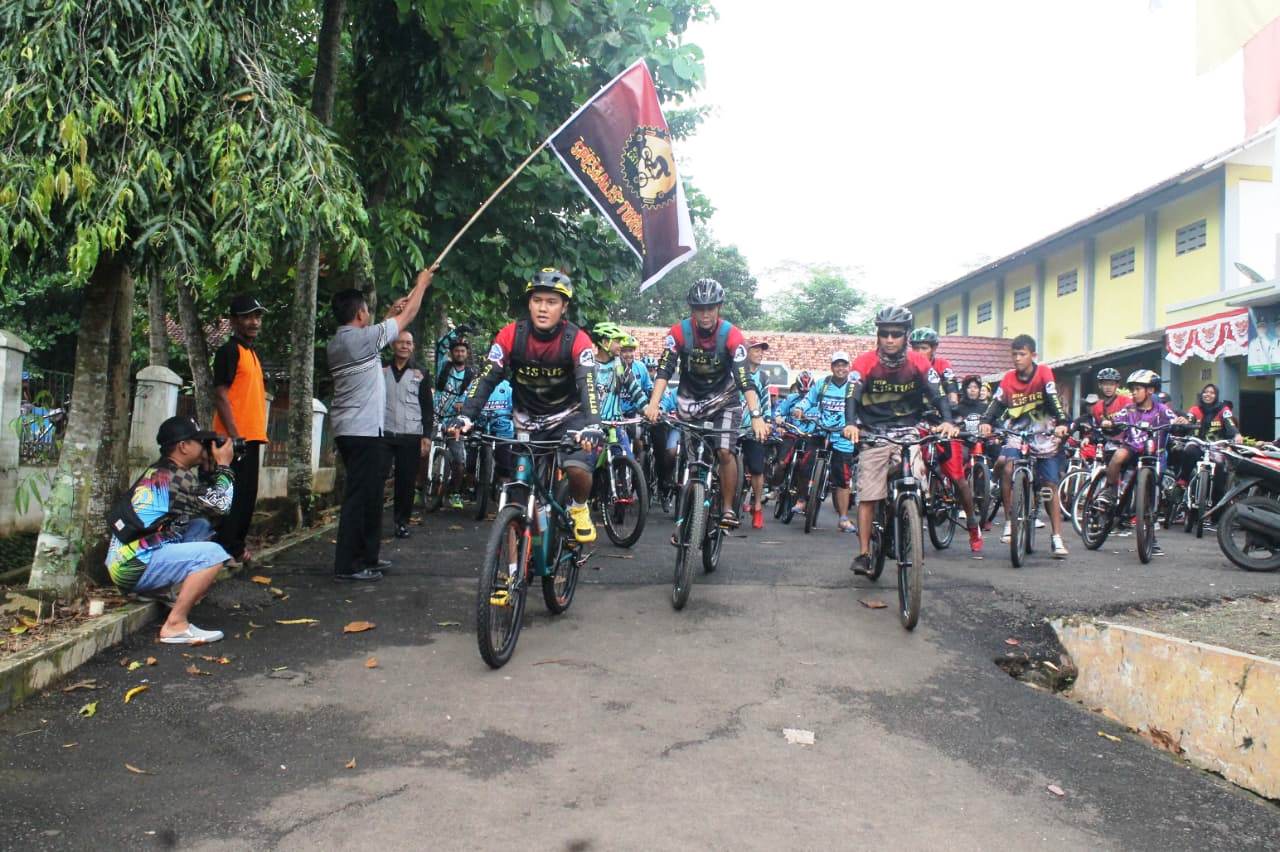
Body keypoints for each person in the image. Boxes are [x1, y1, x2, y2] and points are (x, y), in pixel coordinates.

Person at [450, 268, 603, 543]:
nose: (543, 308)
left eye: (552, 302)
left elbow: (587, 384)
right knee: (517, 499)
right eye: (537, 300)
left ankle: (579, 507)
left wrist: (593, 424)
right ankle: (509, 578)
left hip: (568, 418)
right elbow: (486, 378)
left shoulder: (577, 339)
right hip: (527, 421)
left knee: (577, 468)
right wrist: (466, 417)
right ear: (529, 303)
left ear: (564, 307)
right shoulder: (511, 336)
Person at [327, 265, 434, 582]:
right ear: (360, 313)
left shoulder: (343, 341)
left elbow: (380, 330)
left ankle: (367, 557)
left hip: (356, 430)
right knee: (360, 498)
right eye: (367, 310)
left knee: (372, 495)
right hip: (362, 432)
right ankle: (348, 565)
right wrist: (421, 286)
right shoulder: (359, 341)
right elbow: (407, 318)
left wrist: (389, 312)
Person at [644, 278, 769, 528]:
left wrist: (756, 415)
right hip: (690, 402)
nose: (705, 314)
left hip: (725, 401)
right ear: (692, 309)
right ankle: (687, 518)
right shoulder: (679, 332)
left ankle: (726, 508)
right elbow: (664, 369)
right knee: (693, 462)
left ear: (719, 307)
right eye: (699, 309)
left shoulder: (731, 335)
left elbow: (745, 379)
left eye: (710, 308)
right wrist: (653, 404)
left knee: (724, 451)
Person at [843, 306, 955, 574]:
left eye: (896, 334)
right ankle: (864, 554)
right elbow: (852, 396)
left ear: (906, 335)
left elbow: (938, 393)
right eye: (884, 334)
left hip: (907, 430)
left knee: (918, 474)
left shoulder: (918, 362)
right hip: (873, 431)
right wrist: (850, 424)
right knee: (869, 495)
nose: (890, 339)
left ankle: (910, 522)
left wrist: (948, 420)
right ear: (878, 335)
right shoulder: (864, 362)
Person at [105, 416, 236, 644]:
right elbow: (221, 505)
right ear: (183, 446)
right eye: (199, 442)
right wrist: (224, 465)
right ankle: (175, 624)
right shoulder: (176, 479)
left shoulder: (164, 471)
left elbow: (203, 510)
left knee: (200, 527)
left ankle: (159, 591)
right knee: (214, 554)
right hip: (132, 565)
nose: (205, 447)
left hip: (127, 558)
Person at [979, 334, 1070, 558]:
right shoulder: (1008, 378)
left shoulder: (1043, 372)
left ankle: (1056, 537)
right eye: (1014, 354)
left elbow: (1052, 399)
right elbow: (996, 403)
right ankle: (1010, 522)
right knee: (1008, 466)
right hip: (1016, 431)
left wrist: (1062, 423)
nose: (1017, 359)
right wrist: (985, 422)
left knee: (1049, 486)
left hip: (1042, 430)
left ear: (1033, 355)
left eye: (1022, 354)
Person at [909, 327, 982, 552]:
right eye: (915, 348)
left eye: (924, 348)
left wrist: (949, 415)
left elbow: (951, 391)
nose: (919, 352)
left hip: (944, 423)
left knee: (957, 476)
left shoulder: (943, 366)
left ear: (933, 349)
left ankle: (972, 524)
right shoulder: (907, 367)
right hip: (918, 422)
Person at [210, 294, 269, 565]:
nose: (253, 322)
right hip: (234, 439)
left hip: (252, 436)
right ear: (234, 321)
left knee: (246, 497)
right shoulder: (228, 351)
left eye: (257, 317)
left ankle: (235, 547)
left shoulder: (252, 354)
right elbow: (220, 394)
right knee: (231, 497)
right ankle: (224, 550)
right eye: (247, 317)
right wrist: (235, 435)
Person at [1099, 370, 1176, 553]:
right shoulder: (1130, 409)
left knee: (1152, 498)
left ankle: (1152, 539)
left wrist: (1182, 421)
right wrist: (1109, 422)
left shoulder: (1162, 409)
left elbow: (1176, 420)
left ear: (1150, 390)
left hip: (1154, 455)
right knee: (1118, 456)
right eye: (1132, 389)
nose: (1133, 393)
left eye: (1137, 389)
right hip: (1132, 448)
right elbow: (1115, 419)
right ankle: (1109, 491)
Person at [794, 352, 856, 532]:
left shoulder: (853, 387)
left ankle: (843, 518)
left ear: (849, 367)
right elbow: (808, 400)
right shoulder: (823, 384)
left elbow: (861, 407)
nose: (841, 368)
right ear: (832, 367)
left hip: (843, 437)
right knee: (806, 463)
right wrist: (799, 408)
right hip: (820, 431)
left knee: (843, 479)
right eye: (837, 365)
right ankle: (802, 500)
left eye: (844, 365)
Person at [383, 329, 433, 539]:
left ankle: (401, 522)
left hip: (411, 434)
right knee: (377, 478)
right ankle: (370, 522)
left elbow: (427, 406)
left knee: (406, 481)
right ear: (393, 345)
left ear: (413, 347)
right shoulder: (381, 369)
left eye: (408, 343)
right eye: (400, 342)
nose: (404, 346)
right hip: (383, 432)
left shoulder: (420, 372)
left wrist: (426, 436)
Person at [432, 330, 476, 509]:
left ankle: (455, 492)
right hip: (435, 417)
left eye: (462, 351)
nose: (459, 353)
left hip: (454, 421)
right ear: (452, 353)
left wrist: (462, 403)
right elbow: (441, 344)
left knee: (459, 459)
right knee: (423, 451)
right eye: (456, 350)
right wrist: (458, 331)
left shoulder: (471, 374)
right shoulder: (443, 365)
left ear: (467, 354)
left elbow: (473, 395)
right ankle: (420, 488)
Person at [1170, 382, 1240, 493]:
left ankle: (1219, 501)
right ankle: (1183, 480)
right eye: (1205, 392)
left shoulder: (1224, 409)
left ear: (1216, 395)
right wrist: (1184, 422)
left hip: (1216, 447)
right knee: (1189, 450)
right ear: (1201, 394)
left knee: (1220, 468)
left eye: (1212, 392)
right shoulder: (1195, 409)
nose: (1208, 394)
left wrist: (1236, 434)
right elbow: (1189, 419)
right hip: (1198, 445)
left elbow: (1230, 423)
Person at [591, 323, 648, 458]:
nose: (620, 345)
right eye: (617, 341)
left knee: (628, 458)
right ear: (605, 342)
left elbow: (634, 388)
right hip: (592, 426)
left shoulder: (620, 363)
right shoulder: (590, 365)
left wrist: (646, 408)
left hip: (614, 426)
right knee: (588, 469)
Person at [738, 340, 774, 529]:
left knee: (757, 469)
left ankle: (757, 506)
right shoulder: (735, 372)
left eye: (762, 350)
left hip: (754, 428)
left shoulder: (763, 377)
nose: (760, 353)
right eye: (756, 350)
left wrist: (767, 421)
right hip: (732, 426)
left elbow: (766, 402)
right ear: (746, 352)